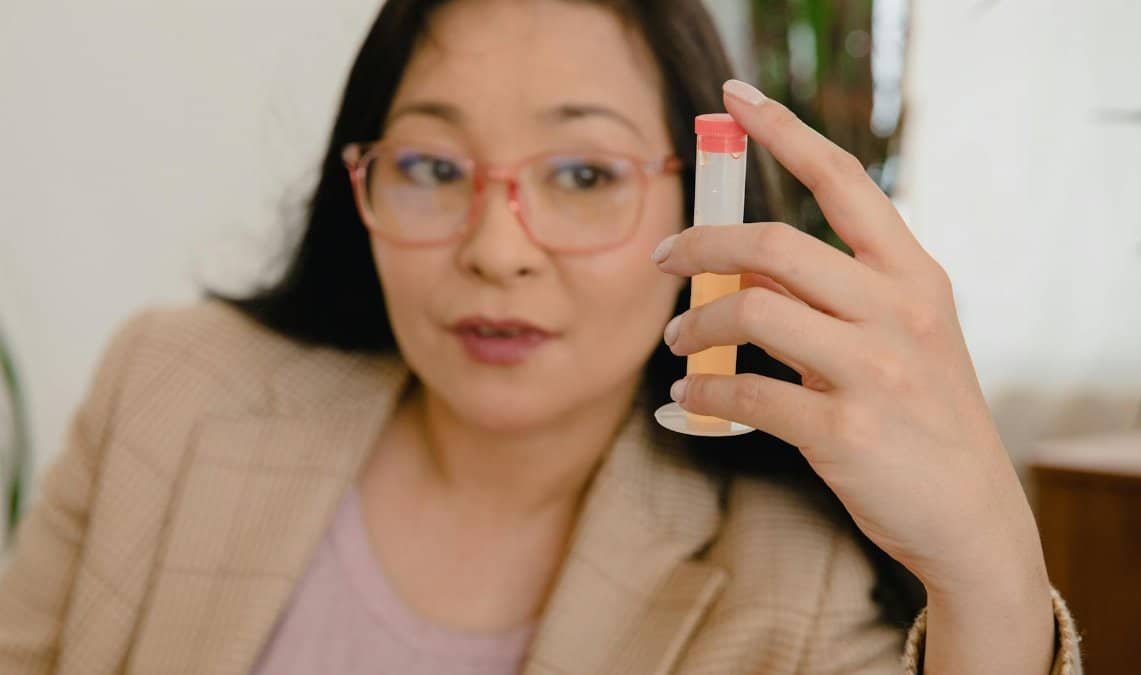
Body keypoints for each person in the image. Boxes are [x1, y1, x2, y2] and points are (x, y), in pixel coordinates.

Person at [0, 0, 1081, 673]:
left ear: (702, 207)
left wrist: (990, 577)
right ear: (361, 182)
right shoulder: (170, 389)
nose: (498, 250)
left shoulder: (794, 586)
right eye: (432, 166)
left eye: (582, 175)